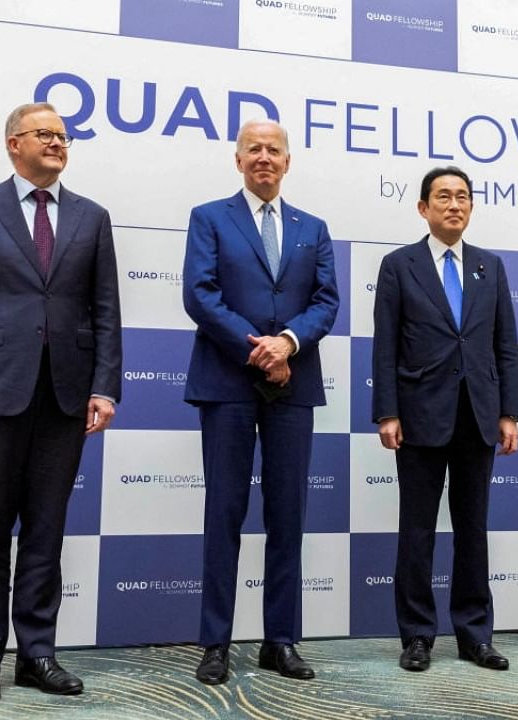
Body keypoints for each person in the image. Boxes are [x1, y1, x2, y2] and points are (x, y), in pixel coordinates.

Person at [0, 102, 121, 705]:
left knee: (46, 532)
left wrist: (104, 385)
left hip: (65, 395)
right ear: (13, 143)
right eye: (45, 134)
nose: (58, 144)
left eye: (64, 137)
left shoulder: (92, 217)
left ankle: (37, 653)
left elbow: (106, 312)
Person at [182, 119, 339, 685]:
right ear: (238, 159)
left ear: (288, 161)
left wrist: (288, 342)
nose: (264, 158)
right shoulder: (209, 218)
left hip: (293, 383)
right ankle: (215, 644)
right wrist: (258, 347)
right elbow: (199, 294)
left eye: (274, 150)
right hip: (227, 381)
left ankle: (281, 641)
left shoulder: (312, 228)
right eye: (255, 149)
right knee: (223, 514)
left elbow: (326, 302)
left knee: (287, 516)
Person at [371, 166, 518, 673]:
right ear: (423, 208)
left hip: (478, 417)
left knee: (472, 530)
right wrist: (387, 411)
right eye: (443, 197)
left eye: (462, 197)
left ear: (471, 207)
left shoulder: (490, 266)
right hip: (418, 416)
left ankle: (475, 635)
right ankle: (417, 635)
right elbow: (385, 344)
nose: (454, 204)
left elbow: (505, 346)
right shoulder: (399, 265)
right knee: (416, 531)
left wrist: (509, 412)